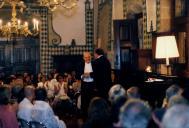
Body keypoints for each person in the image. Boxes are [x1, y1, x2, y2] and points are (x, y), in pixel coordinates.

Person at [76, 52, 95, 116]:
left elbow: (97, 74)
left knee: (92, 100)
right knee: (84, 100)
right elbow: (78, 75)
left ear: (91, 57)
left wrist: (90, 75)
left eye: (89, 57)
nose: (88, 58)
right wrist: (83, 76)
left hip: (92, 84)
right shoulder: (80, 64)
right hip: (84, 84)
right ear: (83, 58)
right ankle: (84, 115)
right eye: (86, 57)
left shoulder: (94, 64)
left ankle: (92, 114)